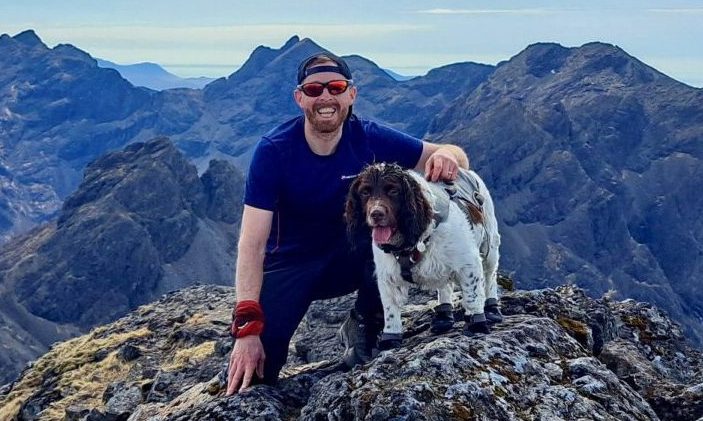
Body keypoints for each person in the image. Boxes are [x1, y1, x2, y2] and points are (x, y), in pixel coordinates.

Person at [225, 51, 470, 395]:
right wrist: (248, 329)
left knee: (390, 243)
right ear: (300, 98)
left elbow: (453, 153)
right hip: (291, 265)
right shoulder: (274, 151)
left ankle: (364, 322)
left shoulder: (368, 138)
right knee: (257, 376)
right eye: (314, 90)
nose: (325, 97)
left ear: (351, 94)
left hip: (353, 256)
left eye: (336, 87)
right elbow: (250, 244)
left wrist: (446, 157)